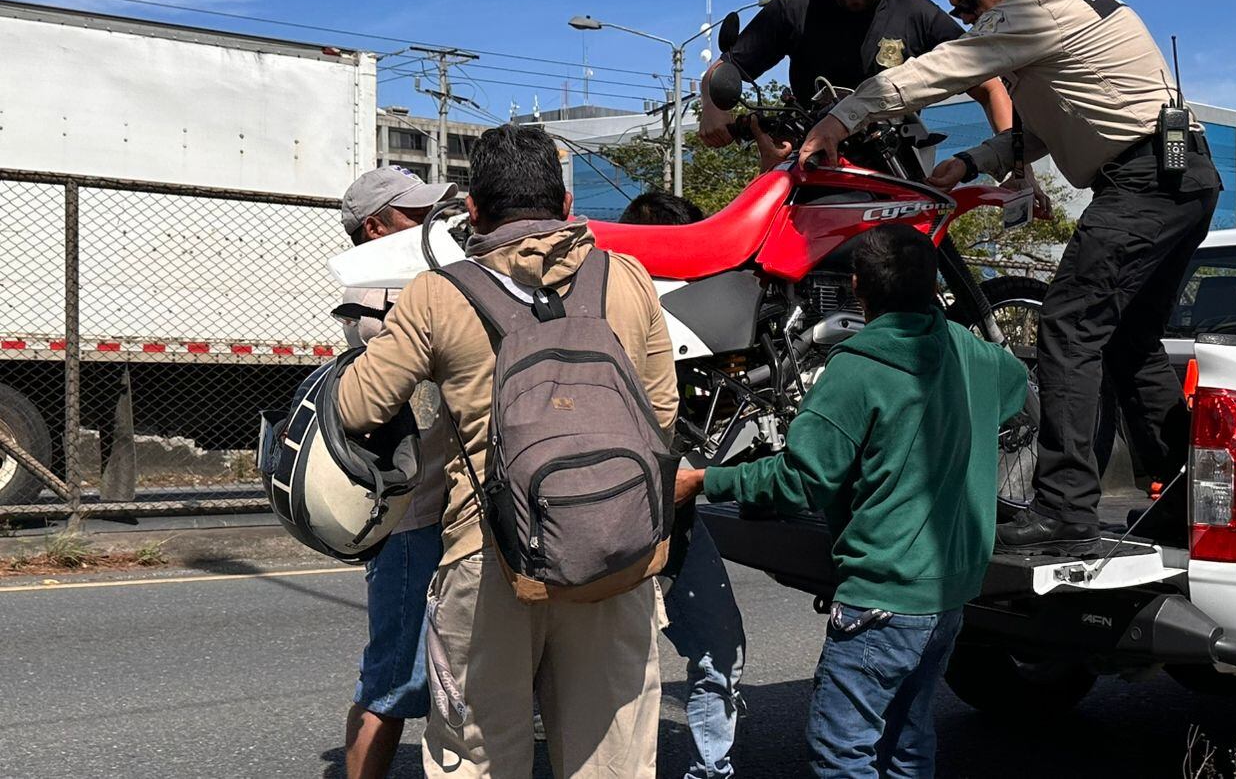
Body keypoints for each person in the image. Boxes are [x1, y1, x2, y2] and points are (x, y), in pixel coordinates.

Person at [795, 0, 1223, 553]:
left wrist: (842, 116)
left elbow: (942, 70)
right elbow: (1046, 128)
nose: (967, 21)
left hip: (1145, 181)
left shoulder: (1036, 5)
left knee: (1069, 327)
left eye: (967, 4)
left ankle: (1065, 512)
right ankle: (1186, 499)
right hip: (1177, 176)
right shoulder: (1063, 8)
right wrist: (970, 162)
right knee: (1129, 341)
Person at [336, 125, 678, 779]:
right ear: (569, 202)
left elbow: (358, 408)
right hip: (616, 551)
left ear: (472, 211)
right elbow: (660, 416)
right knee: (613, 763)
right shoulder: (628, 279)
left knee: (478, 760)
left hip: (489, 557)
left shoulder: (441, 292)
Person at [676, 224, 1028, 778]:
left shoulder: (856, 369)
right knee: (907, 739)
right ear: (934, 286)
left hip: (883, 595)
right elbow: (1015, 389)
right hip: (951, 593)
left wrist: (705, 480)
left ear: (858, 286)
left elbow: (799, 481)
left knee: (844, 750)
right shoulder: (973, 353)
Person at [699, 0, 1012, 169]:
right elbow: (726, 68)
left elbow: (989, 86)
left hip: (894, 164)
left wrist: (1013, 162)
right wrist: (714, 111)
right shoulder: (793, 9)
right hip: (810, 158)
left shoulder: (916, 13)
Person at [618, 190, 744, 779]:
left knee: (721, 651)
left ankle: (711, 770)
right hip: (614, 523)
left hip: (677, 518)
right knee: (618, 669)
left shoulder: (702, 334)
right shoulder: (606, 323)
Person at [337, 165, 456, 779]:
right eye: (417, 214)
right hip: (417, 516)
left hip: (441, 510)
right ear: (378, 228)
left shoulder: (414, 290)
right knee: (394, 676)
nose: (432, 223)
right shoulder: (380, 308)